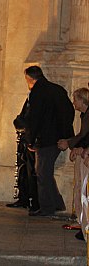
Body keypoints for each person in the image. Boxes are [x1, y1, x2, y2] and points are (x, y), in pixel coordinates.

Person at [23, 66, 74, 217]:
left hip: (46, 139)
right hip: (59, 137)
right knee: (45, 172)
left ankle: (47, 208)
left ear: (30, 78)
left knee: (42, 173)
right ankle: (56, 203)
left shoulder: (37, 93)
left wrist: (31, 140)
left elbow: (35, 119)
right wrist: (64, 134)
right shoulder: (57, 89)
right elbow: (69, 112)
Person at [57, 87, 89, 240]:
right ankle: (83, 226)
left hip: (85, 156)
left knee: (83, 191)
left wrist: (73, 145)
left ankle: (85, 228)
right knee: (79, 189)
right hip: (82, 153)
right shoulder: (85, 115)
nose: (73, 102)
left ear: (82, 100)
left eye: (75, 99)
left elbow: (85, 136)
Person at [6, 98, 39, 212]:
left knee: (32, 172)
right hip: (26, 139)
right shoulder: (30, 99)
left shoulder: (38, 101)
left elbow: (33, 121)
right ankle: (23, 198)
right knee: (23, 170)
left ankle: (33, 200)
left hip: (31, 140)